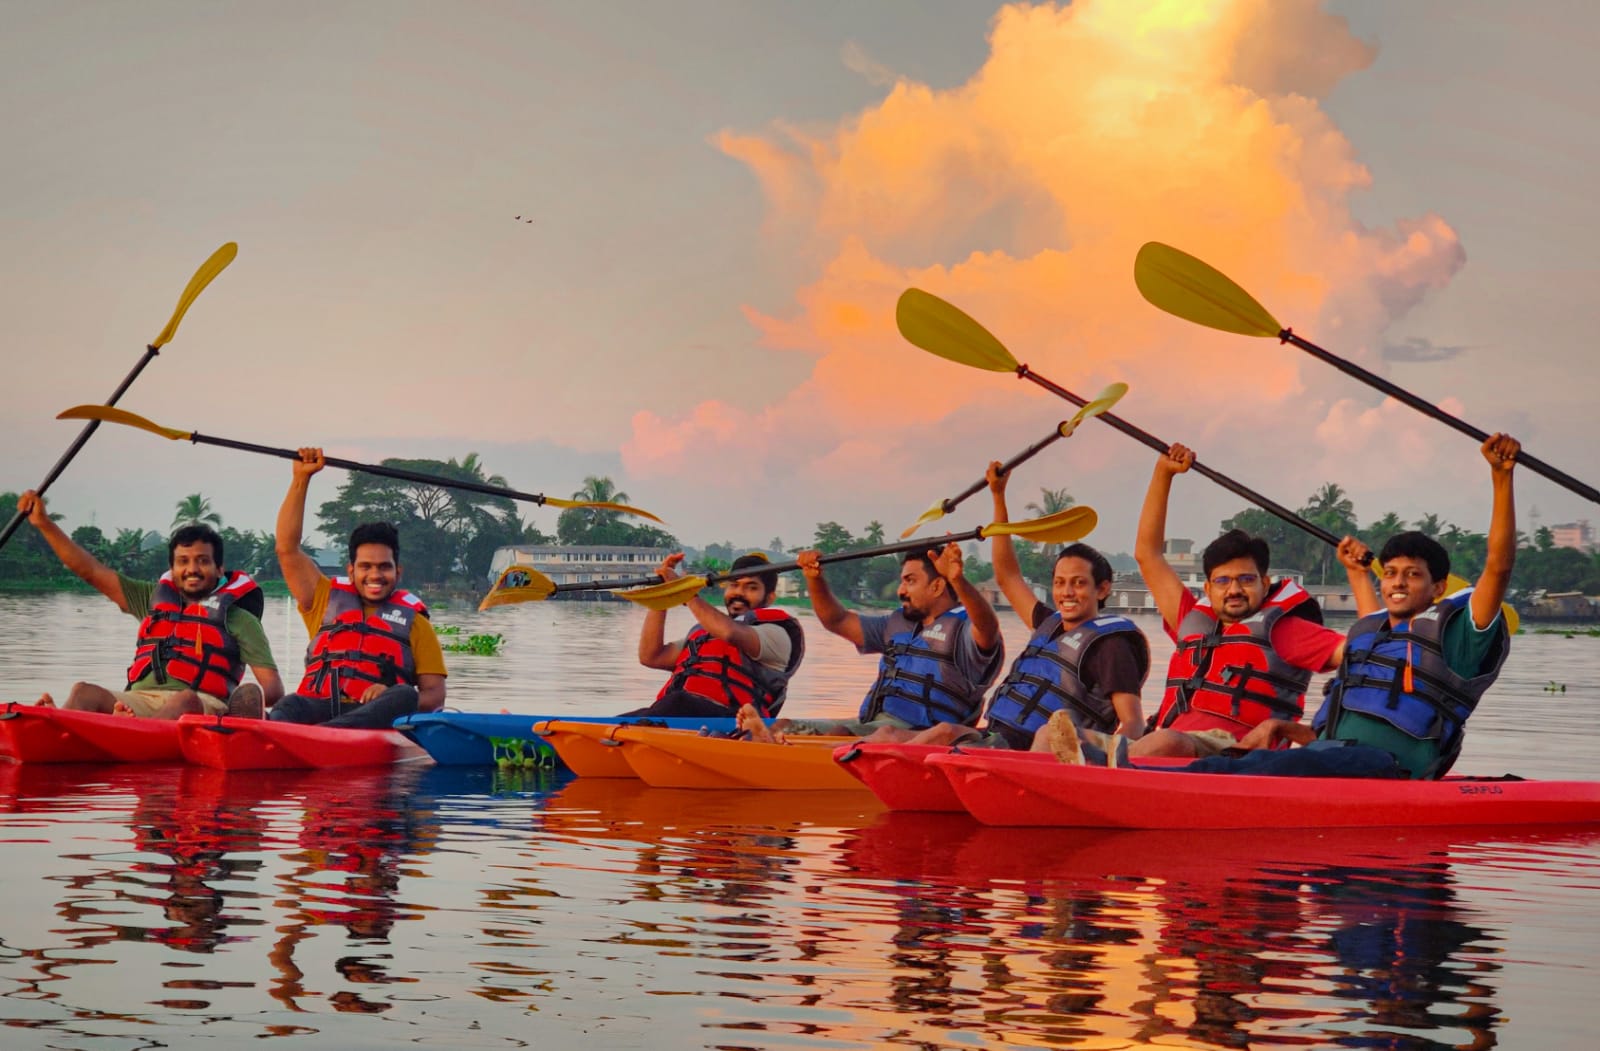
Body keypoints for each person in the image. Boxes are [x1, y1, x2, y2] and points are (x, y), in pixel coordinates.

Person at [1232, 434, 1520, 779]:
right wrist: (1281, 726)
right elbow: (1332, 737)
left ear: (1438, 587)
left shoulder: (1461, 637)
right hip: (1331, 757)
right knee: (1229, 763)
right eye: (1392, 573)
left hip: (1389, 770)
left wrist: (1502, 478)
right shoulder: (1375, 632)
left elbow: (1498, 566)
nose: (1398, 582)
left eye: (1413, 575)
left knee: (1287, 766)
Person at [1056, 443, 1364, 764]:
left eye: (1246, 579)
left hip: (1233, 753)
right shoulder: (1191, 619)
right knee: (1052, 735)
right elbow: (1147, 555)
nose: (1234, 589)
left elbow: (1366, 651)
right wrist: (1163, 474)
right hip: (1161, 746)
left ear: (1265, 582)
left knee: (1166, 741)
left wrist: (1357, 576)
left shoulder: (1286, 630)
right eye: (1223, 581)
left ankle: (1095, 773)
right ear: (1208, 587)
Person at [885, 461, 1149, 750]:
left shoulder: (1111, 647)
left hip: (1039, 755)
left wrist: (1114, 765)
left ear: (1102, 589)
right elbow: (1008, 576)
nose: (1067, 592)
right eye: (1059, 582)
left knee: (958, 737)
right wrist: (998, 495)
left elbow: (1134, 723)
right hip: (998, 738)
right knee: (916, 733)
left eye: (1079, 583)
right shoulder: (1049, 623)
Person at [18, 489, 283, 719]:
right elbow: (89, 570)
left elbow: (273, 689)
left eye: (202, 560)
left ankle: (129, 731)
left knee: (186, 699)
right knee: (83, 691)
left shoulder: (239, 619)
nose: (192, 569)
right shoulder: (149, 598)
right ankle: (61, 722)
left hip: (203, 706)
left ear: (219, 568)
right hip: (139, 700)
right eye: (183, 561)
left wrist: (243, 702)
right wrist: (44, 524)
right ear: (172, 567)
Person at [747, 540, 1004, 738]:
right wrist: (814, 578)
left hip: (917, 735)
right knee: (785, 725)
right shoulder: (896, 623)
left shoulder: (965, 629)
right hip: (870, 725)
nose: (901, 590)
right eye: (902, 581)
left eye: (910, 581)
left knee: (842, 736)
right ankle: (764, 748)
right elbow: (836, 620)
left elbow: (987, 627)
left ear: (937, 587)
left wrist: (957, 579)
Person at [271, 448, 446, 729]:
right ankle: (270, 727)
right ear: (351, 570)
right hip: (318, 707)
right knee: (291, 703)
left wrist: (385, 695)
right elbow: (286, 548)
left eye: (384, 567)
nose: (375, 575)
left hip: (374, 718)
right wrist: (301, 479)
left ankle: (322, 734)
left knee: (403, 695)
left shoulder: (416, 624)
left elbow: (435, 695)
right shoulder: (324, 600)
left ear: (397, 572)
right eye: (366, 566)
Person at [625, 551, 805, 719]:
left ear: (770, 597)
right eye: (734, 585)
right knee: (621, 721)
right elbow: (651, 656)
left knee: (677, 702)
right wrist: (663, 591)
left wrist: (683, 592)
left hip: (735, 722)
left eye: (751, 588)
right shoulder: (703, 634)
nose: (739, 593)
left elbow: (730, 632)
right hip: (679, 717)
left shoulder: (776, 633)